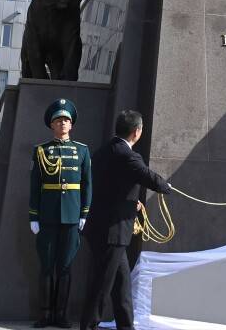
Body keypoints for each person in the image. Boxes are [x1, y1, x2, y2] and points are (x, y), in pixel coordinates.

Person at [80, 110, 172, 330]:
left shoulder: (103, 151)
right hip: (113, 231)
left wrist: (132, 203)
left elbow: (112, 187)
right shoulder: (128, 155)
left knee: (122, 285)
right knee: (102, 287)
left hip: (103, 228)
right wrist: (165, 186)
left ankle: (126, 326)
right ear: (136, 131)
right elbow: (148, 176)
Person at [30, 99, 92, 328]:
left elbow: (87, 184)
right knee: (46, 266)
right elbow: (34, 186)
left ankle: (61, 315)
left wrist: (84, 213)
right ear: (52, 125)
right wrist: (33, 216)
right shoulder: (41, 151)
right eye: (58, 120)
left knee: (65, 267)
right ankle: (45, 314)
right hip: (47, 216)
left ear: (71, 124)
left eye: (66, 119)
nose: (63, 123)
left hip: (72, 216)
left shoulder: (82, 151)